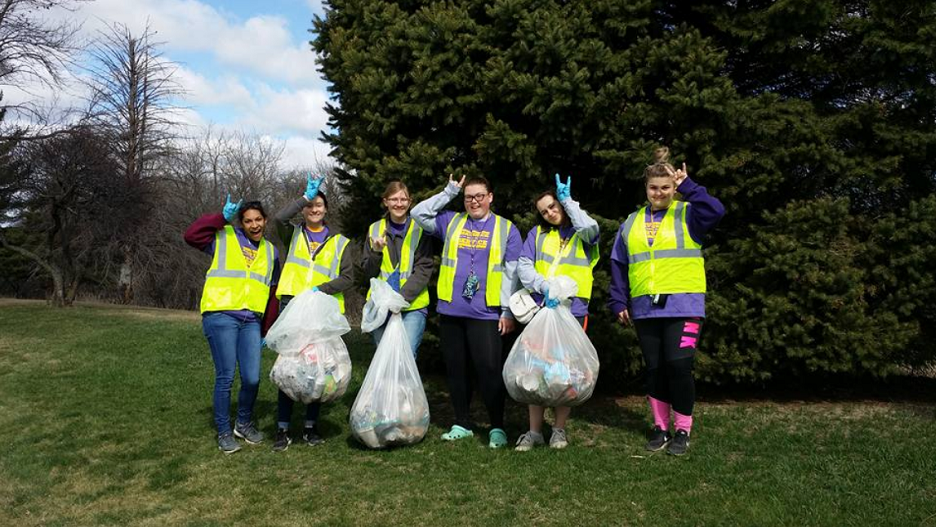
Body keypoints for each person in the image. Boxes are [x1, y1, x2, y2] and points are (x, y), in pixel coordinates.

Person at [608, 147, 725, 456]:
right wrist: (619, 300)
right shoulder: (631, 222)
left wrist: (690, 186)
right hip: (645, 308)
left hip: (684, 304)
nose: (658, 193)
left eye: (665, 187)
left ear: (674, 188)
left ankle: (683, 429)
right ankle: (660, 428)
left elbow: (717, 211)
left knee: (679, 366)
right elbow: (619, 262)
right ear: (646, 189)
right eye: (653, 187)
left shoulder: (689, 212)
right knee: (655, 368)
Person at [411, 174, 522, 449]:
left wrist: (507, 311)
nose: (474, 202)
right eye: (469, 197)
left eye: (479, 196)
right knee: (456, 370)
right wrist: (449, 191)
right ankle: (462, 423)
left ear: (490, 197)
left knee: (488, 369)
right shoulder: (451, 221)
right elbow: (417, 212)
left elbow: (512, 274)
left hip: (486, 313)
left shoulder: (507, 229)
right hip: (451, 309)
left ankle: (497, 426)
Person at [184, 196, 280, 454]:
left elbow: (272, 293)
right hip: (221, 314)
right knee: (226, 376)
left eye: (258, 219)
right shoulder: (223, 236)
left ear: (265, 220)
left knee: (252, 378)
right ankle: (224, 432)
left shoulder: (272, 252)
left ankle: (244, 423)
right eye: (248, 221)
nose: (254, 225)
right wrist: (221, 218)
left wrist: (266, 328)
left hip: (251, 321)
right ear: (241, 223)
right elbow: (191, 235)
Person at [514, 175, 599, 451]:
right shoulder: (537, 235)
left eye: (552, 206)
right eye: (544, 211)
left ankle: (559, 431)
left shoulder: (582, 234)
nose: (550, 213)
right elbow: (525, 266)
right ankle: (535, 432)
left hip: (573, 312)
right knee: (535, 370)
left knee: (566, 371)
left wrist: (568, 202)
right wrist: (544, 286)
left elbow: (592, 228)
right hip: (542, 310)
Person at [271, 174, 354, 452]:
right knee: (289, 367)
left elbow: (347, 277)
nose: (314, 209)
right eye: (310, 205)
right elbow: (279, 218)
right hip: (293, 307)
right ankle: (282, 428)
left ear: (327, 209)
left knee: (318, 367)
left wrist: (322, 288)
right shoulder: (293, 233)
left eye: (319, 205)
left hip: (320, 310)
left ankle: (310, 426)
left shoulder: (340, 242)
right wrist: (303, 197)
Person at [361, 180, 434, 356]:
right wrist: (376, 252)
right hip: (380, 306)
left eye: (403, 199)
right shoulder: (374, 229)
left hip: (412, 306)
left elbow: (424, 270)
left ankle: (404, 386)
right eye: (394, 199)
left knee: (404, 356)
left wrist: (399, 299)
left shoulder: (420, 229)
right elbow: (368, 272)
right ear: (385, 201)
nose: (399, 204)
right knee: (384, 358)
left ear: (410, 202)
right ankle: (385, 386)